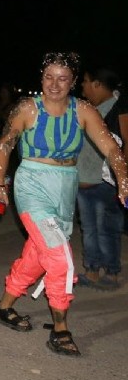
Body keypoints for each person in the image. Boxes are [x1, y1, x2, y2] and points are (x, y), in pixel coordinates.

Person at [0, 52, 128, 357]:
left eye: (63, 77)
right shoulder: (28, 109)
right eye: (49, 77)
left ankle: (4, 307)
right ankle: (61, 328)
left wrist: (123, 178)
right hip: (31, 184)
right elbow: (5, 145)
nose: (55, 84)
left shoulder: (84, 111)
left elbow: (111, 149)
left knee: (39, 256)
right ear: (41, 78)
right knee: (60, 259)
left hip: (66, 185)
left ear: (74, 82)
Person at [75, 67, 128, 290]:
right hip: (85, 180)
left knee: (107, 227)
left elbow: (126, 143)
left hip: (105, 181)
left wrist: (122, 180)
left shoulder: (119, 108)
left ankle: (113, 271)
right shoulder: (89, 109)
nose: (83, 87)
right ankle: (93, 269)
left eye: (86, 82)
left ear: (97, 83)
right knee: (89, 228)